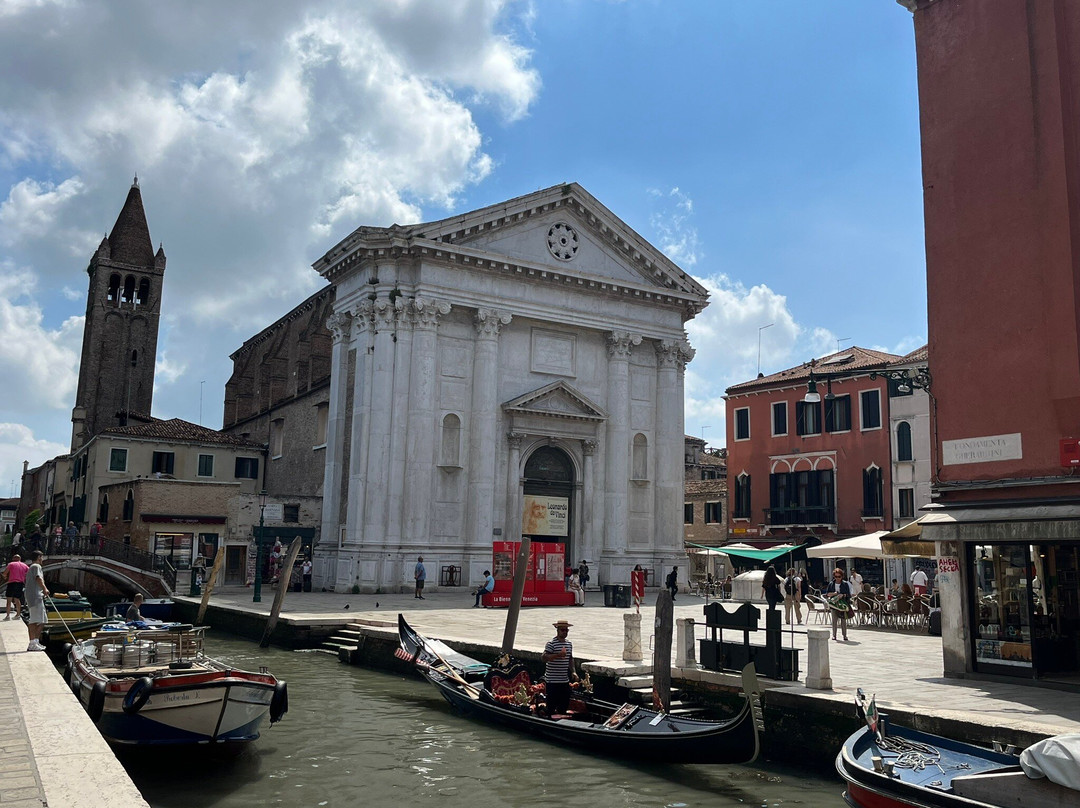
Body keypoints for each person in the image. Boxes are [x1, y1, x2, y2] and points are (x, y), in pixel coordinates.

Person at [541, 620, 575, 715]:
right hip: (552, 681)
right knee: (551, 706)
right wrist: (558, 655)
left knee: (564, 705)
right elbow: (544, 658)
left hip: (564, 680)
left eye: (566, 630)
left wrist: (573, 672)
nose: (565, 632)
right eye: (563, 630)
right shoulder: (551, 644)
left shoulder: (569, 644)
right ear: (558, 630)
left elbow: (570, 659)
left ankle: (562, 720)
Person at [24, 550, 49, 652]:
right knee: (34, 620)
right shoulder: (36, 566)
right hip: (34, 597)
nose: (42, 559)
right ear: (39, 557)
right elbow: (38, 578)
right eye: (41, 557)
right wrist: (45, 589)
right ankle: (32, 643)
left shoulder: (33, 567)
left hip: (36, 596)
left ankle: (36, 641)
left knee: (43, 620)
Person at [824, 567, 853, 641]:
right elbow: (827, 594)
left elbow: (849, 595)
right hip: (834, 604)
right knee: (834, 620)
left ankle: (844, 635)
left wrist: (843, 595)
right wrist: (834, 594)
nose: (837, 578)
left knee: (843, 620)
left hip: (842, 604)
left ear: (842, 576)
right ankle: (834, 635)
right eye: (836, 576)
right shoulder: (831, 584)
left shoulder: (845, 584)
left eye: (839, 577)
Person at [3, 554, 29, 620]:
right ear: (20, 559)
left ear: (13, 558)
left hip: (12, 583)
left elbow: (5, 573)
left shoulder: (11, 564)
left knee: (9, 600)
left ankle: (8, 616)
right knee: (17, 599)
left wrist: (5, 576)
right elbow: (29, 573)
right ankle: (18, 615)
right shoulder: (25, 565)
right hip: (20, 583)